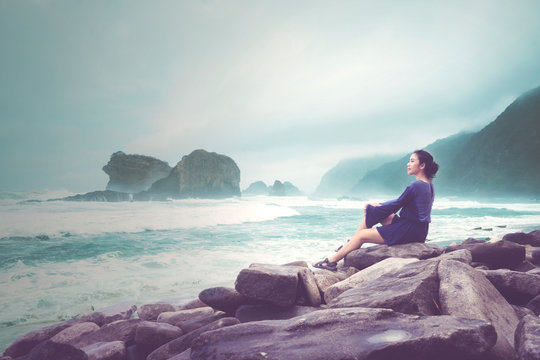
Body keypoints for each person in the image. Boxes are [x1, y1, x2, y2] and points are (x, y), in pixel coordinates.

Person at [313, 149, 439, 271]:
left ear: (422, 165)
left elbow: (397, 204)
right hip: (418, 230)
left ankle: (331, 262)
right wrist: (376, 206)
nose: (408, 164)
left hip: (408, 230)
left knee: (362, 234)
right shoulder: (428, 184)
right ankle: (351, 242)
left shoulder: (416, 185)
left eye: (412, 161)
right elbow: (398, 202)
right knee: (373, 210)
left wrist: (374, 207)